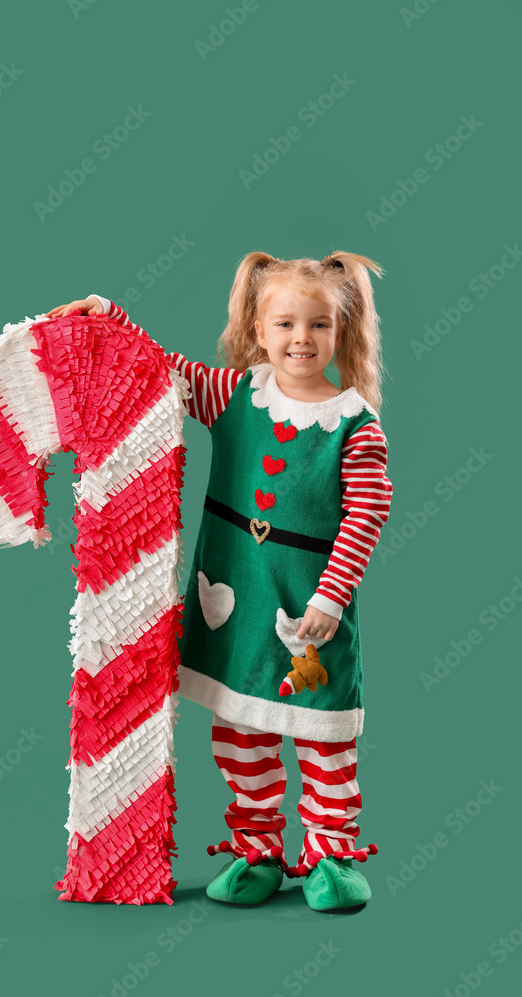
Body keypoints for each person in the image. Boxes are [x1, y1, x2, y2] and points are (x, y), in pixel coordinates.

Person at [46, 250, 393, 911]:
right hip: (233, 608)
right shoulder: (233, 393)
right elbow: (158, 371)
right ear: (258, 331)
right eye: (284, 324)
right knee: (241, 735)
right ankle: (255, 850)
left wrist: (329, 595)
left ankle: (329, 858)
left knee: (323, 740)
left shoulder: (353, 423)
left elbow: (366, 512)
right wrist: (110, 320)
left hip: (306, 615)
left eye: (317, 325)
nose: (300, 338)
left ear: (339, 332)